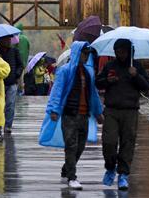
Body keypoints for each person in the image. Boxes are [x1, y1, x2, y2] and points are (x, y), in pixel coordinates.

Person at [39, 42, 103, 190]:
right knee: (71, 145)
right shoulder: (65, 71)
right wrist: (54, 110)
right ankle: (72, 177)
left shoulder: (88, 73)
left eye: (88, 54)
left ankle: (67, 167)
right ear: (77, 53)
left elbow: (92, 94)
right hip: (69, 115)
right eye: (84, 53)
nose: (87, 56)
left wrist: (98, 112)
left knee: (80, 147)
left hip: (84, 115)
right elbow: (57, 91)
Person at [95, 38, 149, 191]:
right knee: (109, 142)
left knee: (127, 143)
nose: (121, 54)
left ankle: (123, 175)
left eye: (123, 51)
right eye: (118, 52)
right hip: (112, 110)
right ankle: (110, 167)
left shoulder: (136, 66)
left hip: (130, 110)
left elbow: (146, 87)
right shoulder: (109, 66)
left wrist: (136, 76)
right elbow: (98, 82)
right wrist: (108, 80)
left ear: (129, 51)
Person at [0, 36, 24, 134]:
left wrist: (17, 74)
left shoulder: (15, 51)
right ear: (1, 40)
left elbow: (20, 65)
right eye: (6, 39)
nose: (9, 41)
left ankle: (8, 126)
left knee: (10, 104)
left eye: (9, 39)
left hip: (12, 82)